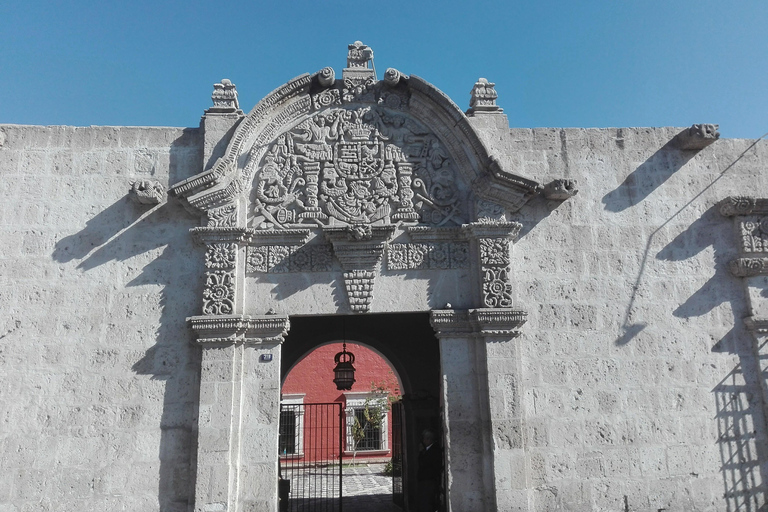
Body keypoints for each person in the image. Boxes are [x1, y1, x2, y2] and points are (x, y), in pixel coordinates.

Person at [417, 429, 441, 512]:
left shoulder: (433, 450)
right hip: (427, 479)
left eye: (425, 439)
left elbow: (424, 463)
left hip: (429, 479)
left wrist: (421, 453)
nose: (423, 441)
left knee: (427, 501)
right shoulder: (428, 449)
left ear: (429, 439)